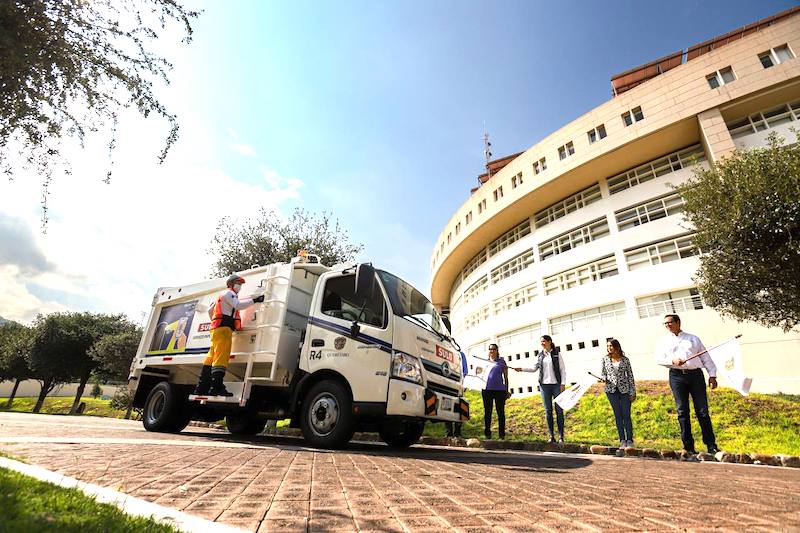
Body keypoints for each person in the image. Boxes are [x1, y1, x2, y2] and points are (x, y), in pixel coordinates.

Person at [655, 313, 720, 454]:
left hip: (695, 375)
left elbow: (705, 357)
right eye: (665, 324)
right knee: (682, 411)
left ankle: (711, 445)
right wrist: (672, 361)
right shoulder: (663, 341)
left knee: (702, 411)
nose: (667, 325)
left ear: (678, 322)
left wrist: (712, 375)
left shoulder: (693, 339)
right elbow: (659, 359)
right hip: (676, 376)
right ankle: (688, 446)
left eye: (670, 322)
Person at [193, 274, 265, 397]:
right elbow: (238, 305)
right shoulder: (229, 294)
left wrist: (216, 321)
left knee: (211, 356)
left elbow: (210, 310)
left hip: (216, 329)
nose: (240, 286)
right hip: (224, 329)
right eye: (238, 283)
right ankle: (216, 387)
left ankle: (202, 386)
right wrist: (255, 300)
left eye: (241, 284)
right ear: (231, 284)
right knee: (221, 357)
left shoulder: (220, 296)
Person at [514, 335, 566, 443]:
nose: (542, 343)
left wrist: (563, 384)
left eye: (544, 341)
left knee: (559, 410)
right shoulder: (540, 355)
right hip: (544, 386)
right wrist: (521, 369)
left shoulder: (557, 354)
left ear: (549, 342)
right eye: (541, 341)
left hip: (556, 384)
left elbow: (562, 370)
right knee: (548, 411)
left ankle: (561, 436)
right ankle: (551, 436)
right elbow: (534, 368)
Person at [601, 338, 636, 449]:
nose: (609, 348)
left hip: (624, 390)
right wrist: (603, 379)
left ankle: (629, 440)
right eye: (607, 346)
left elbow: (630, 376)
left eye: (611, 346)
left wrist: (632, 391)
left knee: (626, 415)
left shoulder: (625, 360)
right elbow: (603, 373)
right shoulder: (605, 359)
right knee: (618, 416)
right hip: (611, 391)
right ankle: (622, 440)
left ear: (617, 347)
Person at [481, 343, 509, 440]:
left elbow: (506, 377)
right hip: (486, 390)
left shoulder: (502, 362)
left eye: (493, 349)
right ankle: (487, 434)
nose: (492, 351)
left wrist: (506, 390)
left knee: (500, 413)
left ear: (497, 351)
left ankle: (502, 435)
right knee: (487, 412)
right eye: (490, 349)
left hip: (500, 390)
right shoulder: (485, 362)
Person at [446, 350, 470, 438]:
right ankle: (449, 432)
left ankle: (457, 432)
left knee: (459, 406)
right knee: (446, 405)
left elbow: (465, 371)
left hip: (458, 383)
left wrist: (464, 384)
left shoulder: (460, 354)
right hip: (446, 382)